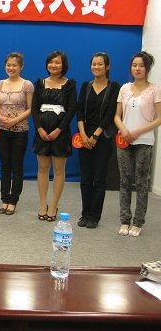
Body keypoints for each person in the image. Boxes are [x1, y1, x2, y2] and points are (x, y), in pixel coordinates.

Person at [114, 51, 161, 237]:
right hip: (124, 140)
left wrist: (138, 131)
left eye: (141, 65)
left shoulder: (155, 89)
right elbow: (117, 115)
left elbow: (159, 119)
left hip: (144, 141)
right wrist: (124, 130)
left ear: (147, 68)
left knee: (141, 182)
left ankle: (138, 222)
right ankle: (124, 220)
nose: (137, 69)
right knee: (125, 181)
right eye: (134, 65)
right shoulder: (125, 88)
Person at [31, 51, 77, 222]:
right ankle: (43, 204)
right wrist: (40, 129)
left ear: (63, 65)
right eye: (51, 62)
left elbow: (71, 110)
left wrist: (58, 130)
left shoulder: (69, 85)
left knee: (59, 170)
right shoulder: (40, 84)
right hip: (42, 132)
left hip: (61, 132)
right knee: (43, 169)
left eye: (57, 62)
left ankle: (54, 205)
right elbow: (34, 109)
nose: (53, 65)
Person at [76, 52, 119, 229]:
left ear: (107, 67)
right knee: (86, 178)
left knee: (99, 179)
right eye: (94, 64)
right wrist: (83, 134)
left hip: (102, 138)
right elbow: (79, 110)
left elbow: (110, 113)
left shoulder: (113, 86)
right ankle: (85, 213)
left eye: (100, 64)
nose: (96, 67)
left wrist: (95, 135)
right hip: (84, 137)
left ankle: (94, 216)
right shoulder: (86, 86)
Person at [0, 52, 33, 215]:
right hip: (2, 129)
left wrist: (14, 120)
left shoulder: (27, 85)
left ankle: (13, 200)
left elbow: (30, 109)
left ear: (21, 67)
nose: (11, 68)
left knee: (17, 166)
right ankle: (4, 199)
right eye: (8, 65)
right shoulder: (0, 84)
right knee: (4, 166)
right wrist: (1, 117)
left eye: (14, 65)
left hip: (20, 130)